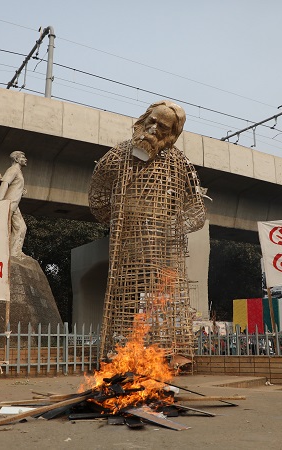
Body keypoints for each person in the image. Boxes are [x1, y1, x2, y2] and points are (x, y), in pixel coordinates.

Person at [88, 100, 206, 357]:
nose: (153, 128)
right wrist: (123, 219)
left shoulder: (179, 163)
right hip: (126, 250)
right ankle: (119, 354)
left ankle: (164, 355)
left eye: (162, 126)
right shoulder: (118, 155)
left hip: (163, 254)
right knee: (124, 304)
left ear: (172, 135)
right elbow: (97, 199)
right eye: (150, 120)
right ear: (143, 119)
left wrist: (169, 225)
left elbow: (196, 212)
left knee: (162, 306)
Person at [0, 151, 28, 258]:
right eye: (23, 157)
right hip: (9, 204)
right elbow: (5, 183)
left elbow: (13, 186)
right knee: (5, 229)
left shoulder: (18, 172)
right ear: (16, 159)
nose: (25, 159)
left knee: (21, 227)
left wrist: (21, 191)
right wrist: (1, 201)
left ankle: (14, 252)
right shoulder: (13, 170)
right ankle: (10, 253)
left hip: (15, 204)